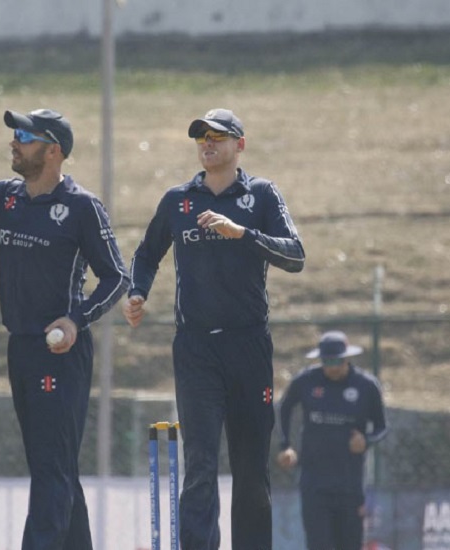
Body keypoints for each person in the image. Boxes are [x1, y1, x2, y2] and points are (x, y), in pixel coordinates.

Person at [0, 104, 130, 549]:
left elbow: (117, 277)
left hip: (60, 352)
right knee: (54, 468)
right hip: (20, 349)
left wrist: (76, 319)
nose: (14, 143)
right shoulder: (8, 197)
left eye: (24, 137)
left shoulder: (81, 207)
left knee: (52, 470)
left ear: (53, 150)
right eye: (15, 136)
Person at [122, 108, 305, 549]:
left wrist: (242, 233)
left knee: (250, 470)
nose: (207, 143)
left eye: (218, 136)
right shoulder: (178, 200)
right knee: (200, 465)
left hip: (249, 347)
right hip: (196, 349)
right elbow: (146, 254)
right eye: (201, 136)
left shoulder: (261, 195)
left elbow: (295, 255)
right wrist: (137, 291)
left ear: (240, 145)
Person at [277, 331, 389, 550]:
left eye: (337, 361)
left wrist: (366, 441)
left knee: (350, 544)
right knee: (319, 544)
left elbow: (382, 427)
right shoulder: (306, 381)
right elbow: (285, 407)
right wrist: (285, 445)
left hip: (350, 484)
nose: (332, 367)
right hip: (314, 482)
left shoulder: (366, 385)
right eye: (327, 362)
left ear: (347, 358)